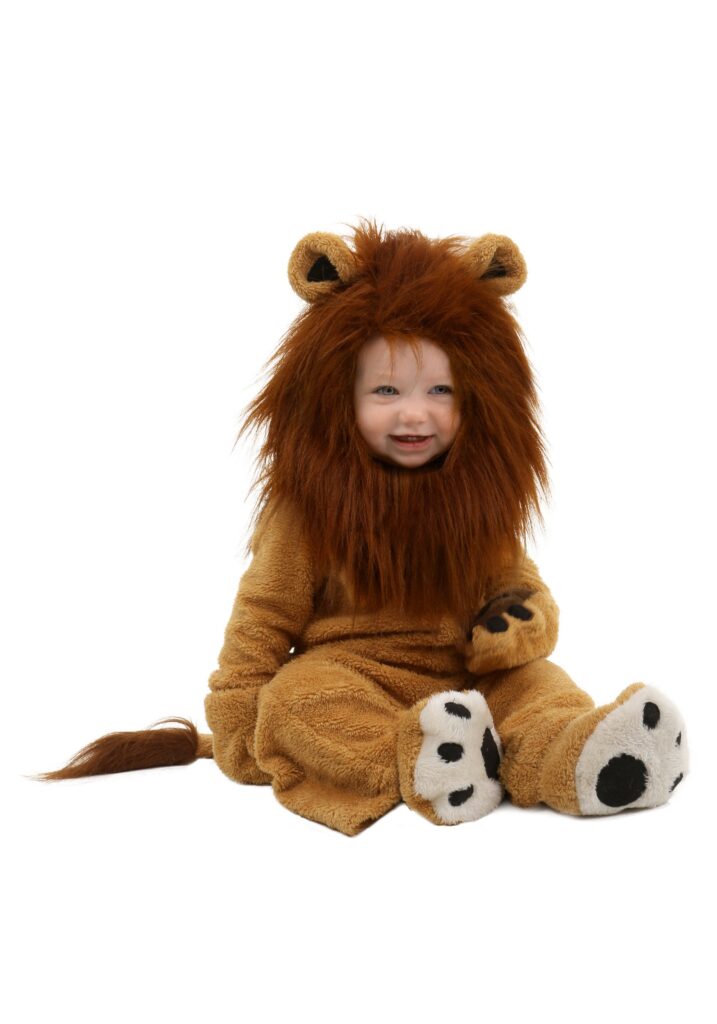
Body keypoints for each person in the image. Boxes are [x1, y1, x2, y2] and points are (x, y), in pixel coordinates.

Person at [39, 221, 689, 836]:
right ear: (337, 398)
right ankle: (429, 759)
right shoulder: (305, 510)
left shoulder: (477, 500)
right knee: (296, 699)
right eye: (386, 392)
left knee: (540, 684)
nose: (415, 414)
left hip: (466, 676)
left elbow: (523, 593)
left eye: (440, 391)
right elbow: (262, 618)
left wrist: (517, 628)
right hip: (354, 676)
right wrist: (238, 721)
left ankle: (582, 758)